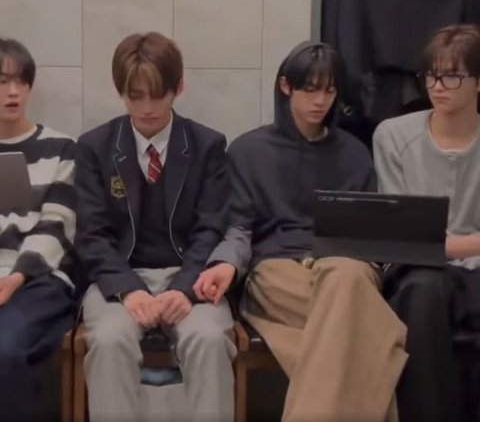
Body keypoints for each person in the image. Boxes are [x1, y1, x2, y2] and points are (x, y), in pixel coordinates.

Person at [194, 41, 407, 422]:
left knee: (344, 275)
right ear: (285, 86)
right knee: (366, 330)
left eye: (329, 90)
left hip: (345, 264)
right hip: (277, 268)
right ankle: (381, 330)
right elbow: (239, 226)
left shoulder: (354, 153)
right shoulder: (249, 151)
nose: (320, 101)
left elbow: (368, 232)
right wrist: (226, 264)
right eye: (310, 89)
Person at [75, 31, 236, 422]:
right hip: (119, 279)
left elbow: (210, 229)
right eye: (135, 96)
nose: (146, 108)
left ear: (178, 87)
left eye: (157, 95)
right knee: (109, 340)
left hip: (190, 275)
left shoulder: (207, 145)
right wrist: (128, 289)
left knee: (209, 339)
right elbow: (92, 234)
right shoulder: (95, 147)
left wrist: (185, 288)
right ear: (120, 91)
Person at [373, 24, 480, 422]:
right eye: (431, 76)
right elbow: (402, 231)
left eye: (452, 76)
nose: (437, 87)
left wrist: (445, 244)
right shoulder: (393, 135)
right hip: (416, 266)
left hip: (472, 268)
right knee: (424, 291)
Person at [0, 37, 76, 421]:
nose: (13, 91)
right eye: (2, 81)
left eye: (21, 81)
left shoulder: (61, 148)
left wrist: (16, 277)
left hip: (38, 280)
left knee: (5, 348)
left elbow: (57, 225)